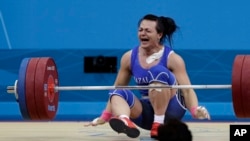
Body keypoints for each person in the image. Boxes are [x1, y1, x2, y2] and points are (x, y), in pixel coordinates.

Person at [85, 14, 210, 139]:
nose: (142, 33)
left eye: (148, 31)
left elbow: (187, 90)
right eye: (140, 30)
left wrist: (194, 110)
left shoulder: (173, 59)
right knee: (118, 90)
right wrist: (104, 117)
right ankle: (124, 120)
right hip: (146, 115)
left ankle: (159, 123)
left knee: (157, 71)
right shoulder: (128, 58)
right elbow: (117, 89)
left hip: (172, 111)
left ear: (159, 35)